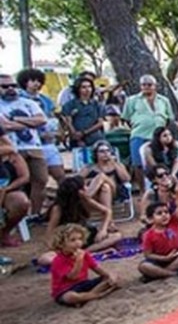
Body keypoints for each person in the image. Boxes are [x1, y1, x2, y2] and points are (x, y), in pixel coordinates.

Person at [35, 176, 123, 269]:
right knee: (44, 259)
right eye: (84, 187)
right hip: (67, 239)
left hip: (84, 235)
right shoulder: (58, 208)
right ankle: (78, 255)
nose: (86, 189)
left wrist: (103, 230)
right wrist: (58, 248)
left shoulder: (85, 200)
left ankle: (84, 253)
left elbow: (107, 211)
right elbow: (50, 233)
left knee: (117, 236)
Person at [0, 72, 49, 217]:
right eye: (5, 86)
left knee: (41, 180)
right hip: (11, 150)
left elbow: (42, 120)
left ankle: (34, 215)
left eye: (13, 86)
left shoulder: (28, 103)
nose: (10, 89)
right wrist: (29, 123)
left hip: (34, 147)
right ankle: (17, 215)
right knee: (17, 183)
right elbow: (4, 127)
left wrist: (15, 119)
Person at [49, 223, 119, 307]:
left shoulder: (84, 254)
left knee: (113, 277)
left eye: (80, 239)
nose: (78, 243)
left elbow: (97, 268)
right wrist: (79, 261)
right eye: (72, 240)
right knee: (70, 297)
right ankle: (96, 295)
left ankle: (87, 297)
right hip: (65, 289)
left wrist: (109, 276)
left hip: (83, 283)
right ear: (61, 244)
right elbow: (72, 277)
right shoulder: (58, 260)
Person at [122, 75, 173, 175]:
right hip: (139, 135)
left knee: (159, 163)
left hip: (158, 137)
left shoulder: (164, 100)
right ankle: (142, 189)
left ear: (155, 86)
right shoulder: (132, 100)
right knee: (138, 164)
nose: (146, 87)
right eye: (143, 85)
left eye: (149, 85)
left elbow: (168, 118)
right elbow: (126, 118)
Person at [138, 202, 178, 281]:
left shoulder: (173, 224)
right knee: (143, 266)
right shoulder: (148, 235)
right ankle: (174, 273)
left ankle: (158, 274)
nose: (164, 215)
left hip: (176, 258)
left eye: (166, 212)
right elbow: (148, 254)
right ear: (150, 219)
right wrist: (165, 258)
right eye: (159, 213)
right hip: (158, 261)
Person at [0, 129, 31, 247]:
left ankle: (4, 233)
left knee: (21, 201)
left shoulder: (9, 153)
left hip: (4, 186)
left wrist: (7, 188)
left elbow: (25, 176)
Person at [60, 76, 106, 148]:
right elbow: (68, 122)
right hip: (77, 140)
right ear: (78, 89)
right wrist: (77, 137)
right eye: (83, 87)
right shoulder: (69, 105)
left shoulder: (97, 105)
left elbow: (100, 123)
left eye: (89, 87)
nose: (87, 90)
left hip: (96, 139)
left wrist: (84, 133)